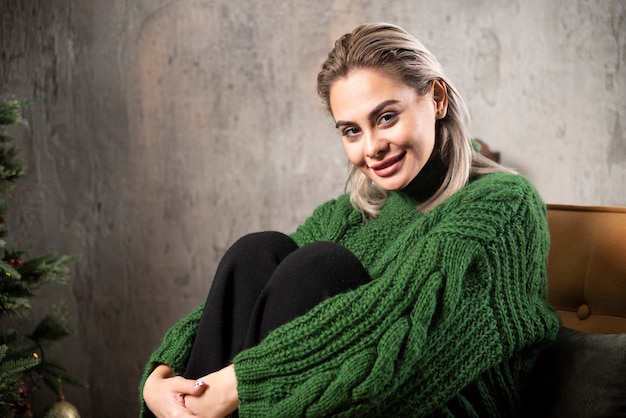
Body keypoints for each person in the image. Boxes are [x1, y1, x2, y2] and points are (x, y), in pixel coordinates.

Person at [140, 22, 560, 417]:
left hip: (428, 402)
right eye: (351, 131)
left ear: (436, 98)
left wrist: (236, 384)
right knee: (257, 252)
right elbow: (242, 296)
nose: (372, 147)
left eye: (386, 117)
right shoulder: (350, 214)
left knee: (318, 267)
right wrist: (163, 375)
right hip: (325, 400)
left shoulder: (503, 204)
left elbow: (396, 324)